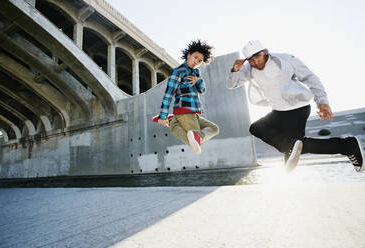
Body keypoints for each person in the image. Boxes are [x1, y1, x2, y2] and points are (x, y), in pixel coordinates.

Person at [227, 40, 364, 172]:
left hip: (298, 108)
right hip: (278, 111)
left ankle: (348, 145)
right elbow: (232, 84)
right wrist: (235, 70)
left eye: (258, 57)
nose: (256, 62)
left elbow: (310, 78)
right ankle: (348, 146)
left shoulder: (285, 59)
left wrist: (322, 102)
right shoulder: (248, 69)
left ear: (265, 52)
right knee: (257, 128)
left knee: (294, 147)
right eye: (251, 60)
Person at [154, 39, 219, 154]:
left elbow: (202, 90)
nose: (196, 62)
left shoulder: (196, 73)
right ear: (188, 55)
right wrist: (163, 116)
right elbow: (168, 94)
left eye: (200, 61)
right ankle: (173, 121)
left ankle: (174, 122)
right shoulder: (178, 72)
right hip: (184, 110)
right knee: (196, 148)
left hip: (194, 112)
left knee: (214, 129)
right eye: (195, 57)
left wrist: (198, 81)